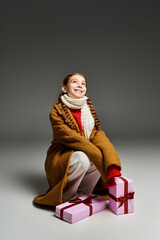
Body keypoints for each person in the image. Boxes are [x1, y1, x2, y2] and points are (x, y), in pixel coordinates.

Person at [33, 73, 122, 207]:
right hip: (61, 155)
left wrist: (113, 166)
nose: (80, 85)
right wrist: (99, 159)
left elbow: (98, 136)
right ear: (64, 88)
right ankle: (65, 197)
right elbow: (74, 140)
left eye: (83, 83)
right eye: (75, 82)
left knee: (100, 155)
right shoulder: (56, 112)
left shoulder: (88, 111)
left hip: (85, 150)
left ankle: (82, 194)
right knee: (84, 158)